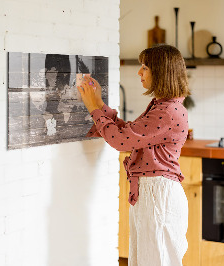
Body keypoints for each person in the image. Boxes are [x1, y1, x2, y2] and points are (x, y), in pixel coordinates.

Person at [78, 44, 190, 266]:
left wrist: (93, 107)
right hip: (153, 193)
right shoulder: (163, 106)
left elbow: (121, 141)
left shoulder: (167, 111)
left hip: (158, 195)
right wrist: (99, 103)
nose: (139, 72)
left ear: (161, 72)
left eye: (145, 67)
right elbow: (129, 133)